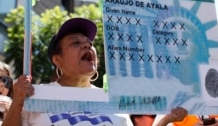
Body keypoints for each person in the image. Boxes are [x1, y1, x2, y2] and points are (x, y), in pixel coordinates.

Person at [2, 17, 188, 126]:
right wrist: (18, 103)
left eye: (89, 44)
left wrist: (166, 120)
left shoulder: (113, 101)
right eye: (76, 42)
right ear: (57, 59)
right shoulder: (34, 96)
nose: (86, 45)